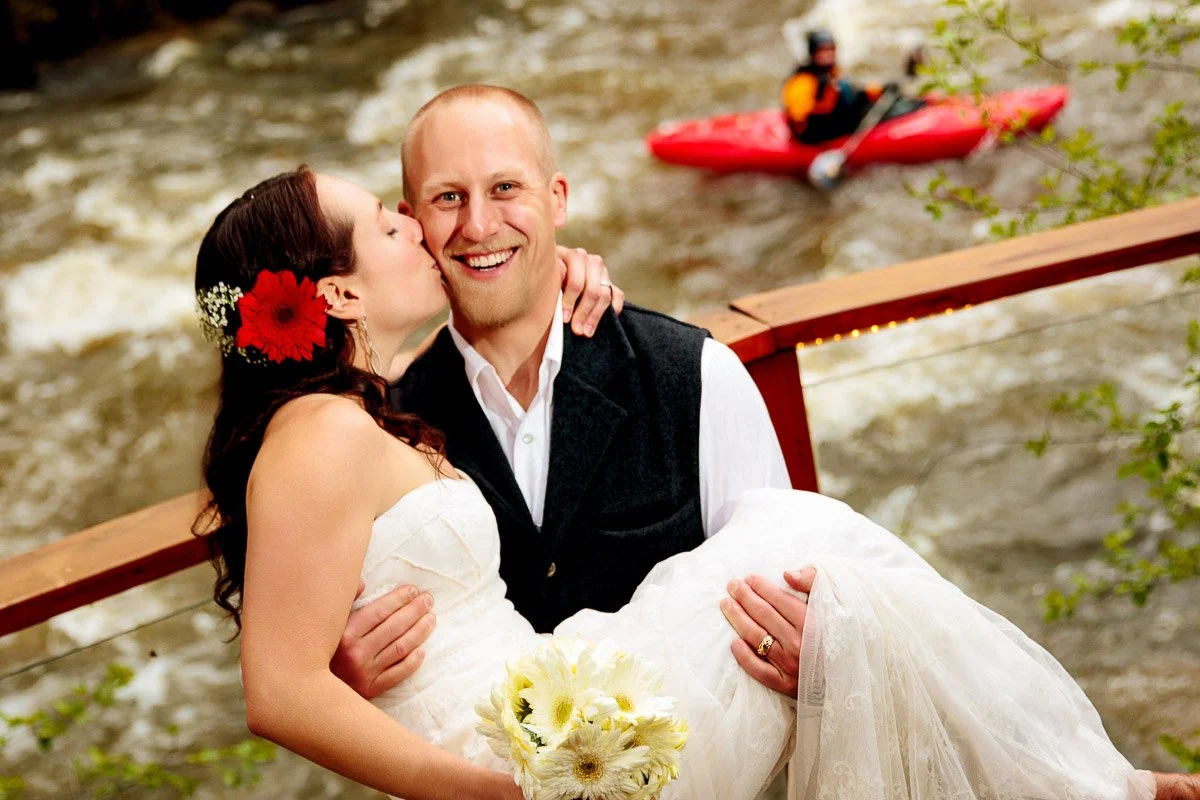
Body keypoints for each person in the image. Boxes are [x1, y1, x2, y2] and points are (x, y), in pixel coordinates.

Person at [191, 149, 1183, 799]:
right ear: (339, 289)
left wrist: (557, 269)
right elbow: (278, 688)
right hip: (516, 760)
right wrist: (476, 787)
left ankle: (1092, 783)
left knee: (818, 557)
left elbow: (496, 310)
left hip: (550, 695)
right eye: (391, 221)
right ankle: (1098, 786)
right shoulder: (315, 433)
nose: (419, 224)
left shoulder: (360, 402)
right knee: (825, 569)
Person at [328, 85, 792, 701]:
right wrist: (341, 682)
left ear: (557, 200)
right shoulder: (384, 427)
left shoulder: (698, 374)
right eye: (448, 198)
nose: (479, 224)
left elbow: (785, 608)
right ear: (412, 225)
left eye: (505, 188)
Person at [781, 29, 924, 145]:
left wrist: (877, 90)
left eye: (831, 50)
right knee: (870, 109)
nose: (828, 55)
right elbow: (800, 119)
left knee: (872, 95)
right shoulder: (803, 81)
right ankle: (908, 107)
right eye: (822, 51)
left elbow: (848, 93)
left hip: (837, 117)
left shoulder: (831, 72)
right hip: (818, 131)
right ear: (813, 54)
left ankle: (903, 85)